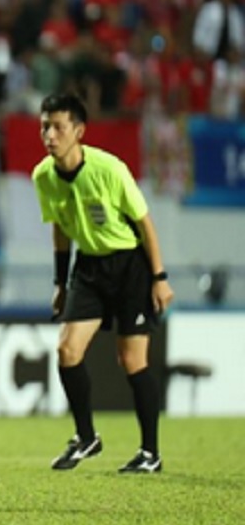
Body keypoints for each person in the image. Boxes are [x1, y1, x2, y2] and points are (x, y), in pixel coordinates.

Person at [33, 93, 173, 473]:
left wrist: (159, 277)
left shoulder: (109, 169)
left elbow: (145, 224)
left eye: (58, 126)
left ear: (78, 131)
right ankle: (86, 437)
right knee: (67, 351)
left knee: (131, 360)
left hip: (130, 267)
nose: (50, 134)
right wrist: (61, 283)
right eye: (45, 125)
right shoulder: (43, 175)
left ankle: (150, 453)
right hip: (89, 269)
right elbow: (60, 229)